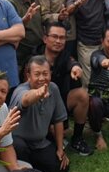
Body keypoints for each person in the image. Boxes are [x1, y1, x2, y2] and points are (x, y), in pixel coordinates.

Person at [10, 56, 69, 172]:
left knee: (60, 168)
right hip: (18, 144)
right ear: (28, 75)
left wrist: (60, 149)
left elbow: (58, 120)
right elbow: (25, 99)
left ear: (50, 74)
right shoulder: (20, 90)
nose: (42, 78)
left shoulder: (53, 88)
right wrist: (38, 94)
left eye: (45, 73)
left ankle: (33, 168)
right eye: (37, 74)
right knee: (19, 146)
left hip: (39, 143)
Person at [39, 23, 93, 156]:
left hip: (59, 103)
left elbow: (72, 62)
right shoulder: (35, 58)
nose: (58, 41)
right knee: (52, 135)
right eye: (55, 37)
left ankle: (77, 139)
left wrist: (76, 67)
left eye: (62, 38)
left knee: (82, 95)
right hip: (39, 106)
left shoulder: (65, 55)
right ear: (45, 39)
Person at [67, 0, 105, 87]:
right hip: (86, 44)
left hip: (103, 41)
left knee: (104, 79)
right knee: (89, 84)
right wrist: (77, 3)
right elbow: (69, 8)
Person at [7, 0, 43, 74]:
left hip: (38, 53)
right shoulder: (10, 4)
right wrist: (24, 21)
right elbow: (10, 33)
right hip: (20, 57)